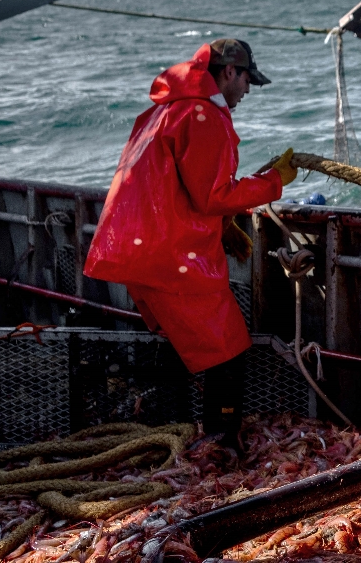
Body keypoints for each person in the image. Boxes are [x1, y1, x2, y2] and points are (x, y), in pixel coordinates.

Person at [84, 39, 298, 449]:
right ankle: (221, 442)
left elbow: (175, 187)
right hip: (169, 254)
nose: (247, 91)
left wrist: (221, 228)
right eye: (247, 80)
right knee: (230, 345)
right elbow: (211, 195)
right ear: (230, 72)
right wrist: (275, 183)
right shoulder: (202, 114)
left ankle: (180, 433)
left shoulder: (166, 109)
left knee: (186, 343)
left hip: (139, 248)